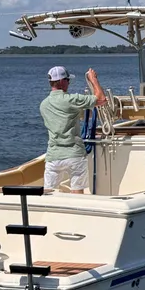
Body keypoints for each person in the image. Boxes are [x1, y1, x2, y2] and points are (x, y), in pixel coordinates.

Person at [39, 65, 106, 194]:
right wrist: (94, 80)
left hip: (53, 155)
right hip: (74, 154)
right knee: (77, 193)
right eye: (68, 80)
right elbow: (101, 99)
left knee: (48, 193)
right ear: (62, 82)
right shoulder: (71, 100)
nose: (69, 83)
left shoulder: (44, 105)